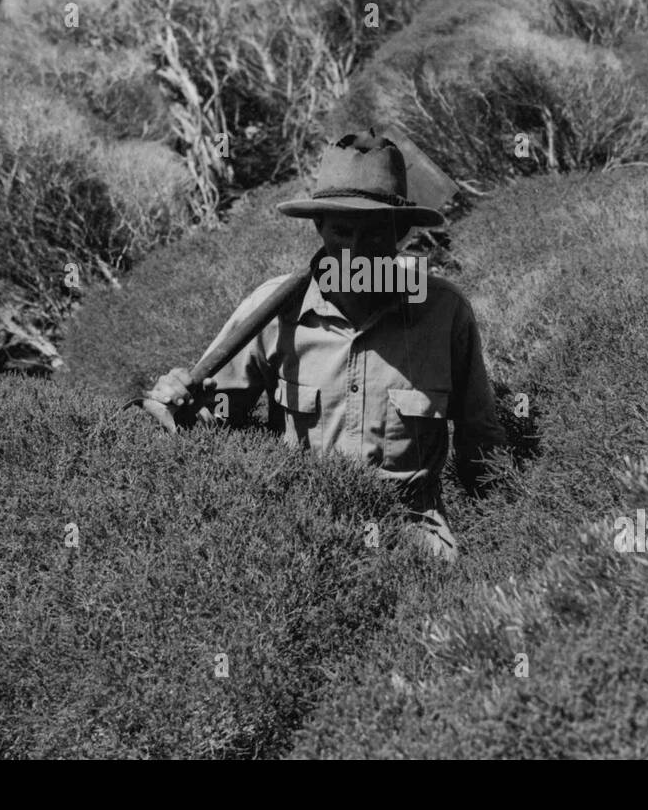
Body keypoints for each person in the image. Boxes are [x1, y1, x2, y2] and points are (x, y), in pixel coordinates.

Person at [143, 131, 506, 562]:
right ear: (318, 227)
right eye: (341, 231)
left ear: (401, 233)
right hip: (301, 530)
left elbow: (481, 444)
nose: (353, 251)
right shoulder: (272, 309)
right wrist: (177, 403)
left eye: (372, 234)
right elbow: (214, 423)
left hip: (415, 535)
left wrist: (501, 543)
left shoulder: (445, 313)